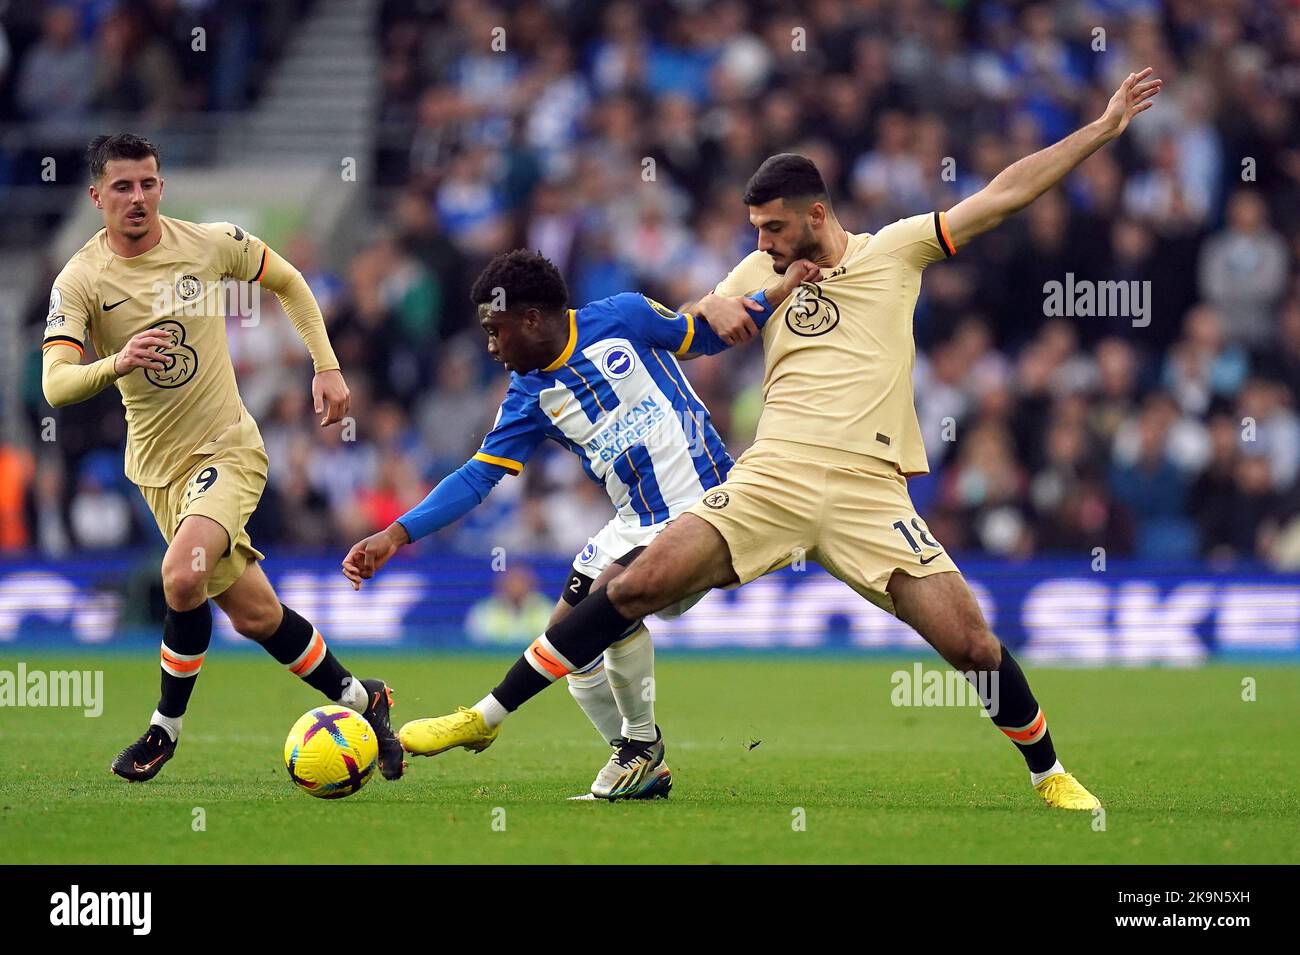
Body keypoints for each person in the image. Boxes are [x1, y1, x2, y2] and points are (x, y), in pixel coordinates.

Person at [398, 69, 1164, 811]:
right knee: (630, 585)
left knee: (969, 645)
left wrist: (1101, 129)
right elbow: (701, 317)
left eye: (772, 227)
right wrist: (740, 303)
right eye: (753, 229)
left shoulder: (894, 251)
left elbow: (1003, 195)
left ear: (817, 216)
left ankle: (1050, 772)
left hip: (869, 488)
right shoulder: (759, 270)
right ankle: (485, 718)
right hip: (773, 477)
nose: (760, 241)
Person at [342, 248, 813, 799]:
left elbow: (705, 336)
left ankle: (498, 717)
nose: (491, 348)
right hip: (633, 522)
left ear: (532, 319)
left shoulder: (623, 317)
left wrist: (774, 293)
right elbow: (475, 478)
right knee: (571, 642)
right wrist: (395, 534)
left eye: (496, 332)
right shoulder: (527, 397)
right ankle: (642, 760)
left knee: (610, 604)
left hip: (705, 506)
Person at [42, 133, 404, 782]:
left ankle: (163, 730)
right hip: (158, 472)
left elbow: (289, 280)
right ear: (96, 197)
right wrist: (116, 362)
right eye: (122, 186)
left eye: (148, 182)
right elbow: (54, 382)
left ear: (162, 187)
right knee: (257, 614)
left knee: (181, 575)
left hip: (228, 450)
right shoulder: (82, 281)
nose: (138, 197)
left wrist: (325, 366)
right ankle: (362, 698)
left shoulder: (208, 244)